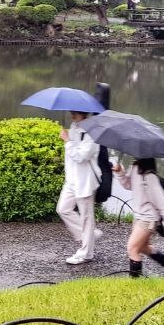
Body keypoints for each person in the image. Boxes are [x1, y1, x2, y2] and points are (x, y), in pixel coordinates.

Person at [113, 156, 164, 277]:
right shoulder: (135, 168)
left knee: (132, 248)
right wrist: (120, 172)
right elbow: (128, 185)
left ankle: (135, 283)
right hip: (139, 216)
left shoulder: (150, 177)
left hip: (148, 219)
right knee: (143, 247)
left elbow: (162, 203)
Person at [58, 110, 102, 264]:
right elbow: (71, 156)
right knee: (63, 209)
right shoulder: (74, 126)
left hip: (85, 182)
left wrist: (67, 141)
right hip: (71, 180)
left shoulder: (92, 133)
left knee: (86, 218)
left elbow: (81, 156)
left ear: (84, 114)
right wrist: (69, 139)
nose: (72, 114)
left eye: (75, 112)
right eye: (72, 112)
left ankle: (86, 253)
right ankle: (89, 234)